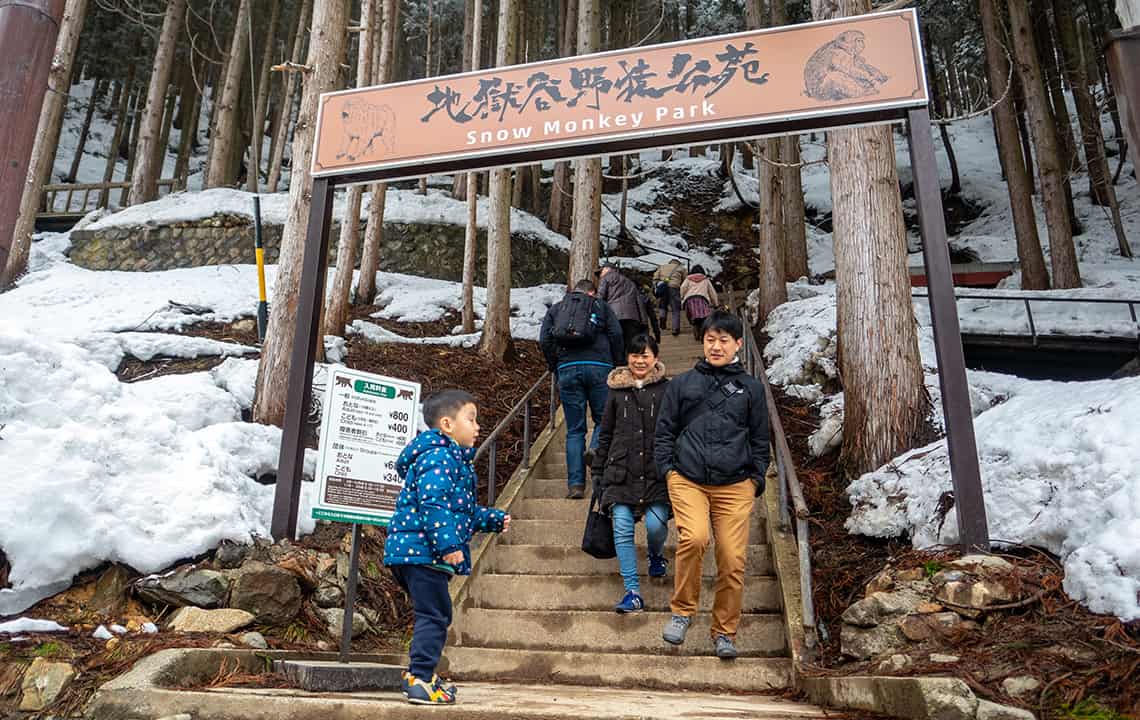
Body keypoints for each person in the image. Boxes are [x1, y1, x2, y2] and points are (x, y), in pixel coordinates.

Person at [653, 311, 770, 660]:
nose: (716, 346)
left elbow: (761, 438)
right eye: (710, 339)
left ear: (737, 344)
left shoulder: (751, 388)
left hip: (736, 484)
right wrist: (669, 471)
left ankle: (724, 632)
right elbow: (664, 432)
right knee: (695, 537)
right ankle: (682, 612)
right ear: (702, 342)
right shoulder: (682, 384)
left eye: (723, 340)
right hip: (687, 479)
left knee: (733, 558)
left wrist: (755, 477)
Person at [384, 389, 511, 704]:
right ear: (447, 424)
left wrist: (492, 519)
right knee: (436, 615)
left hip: (414, 550)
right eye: (471, 418)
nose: (478, 426)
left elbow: (460, 512)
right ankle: (420, 678)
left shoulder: (445, 457)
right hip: (424, 552)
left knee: (433, 613)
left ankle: (421, 674)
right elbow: (434, 504)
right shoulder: (441, 455)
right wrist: (449, 546)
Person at [591, 334, 670, 614]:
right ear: (627, 358)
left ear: (655, 358)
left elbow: (674, 430)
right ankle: (633, 591)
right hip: (620, 471)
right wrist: (598, 470)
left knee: (655, 526)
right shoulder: (615, 391)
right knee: (622, 527)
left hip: (655, 473)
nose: (639, 360)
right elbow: (606, 432)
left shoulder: (666, 390)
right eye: (635, 355)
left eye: (645, 355)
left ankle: (656, 555)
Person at [539, 279, 624, 499]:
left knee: (575, 430)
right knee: (603, 419)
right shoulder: (600, 306)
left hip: (567, 369)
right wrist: (618, 364)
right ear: (593, 292)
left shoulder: (558, 308)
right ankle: (595, 448)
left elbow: (545, 339)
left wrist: (555, 365)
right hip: (600, 368)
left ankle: (575, 485)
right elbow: (616, 334)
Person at [597, 263, 651, 349]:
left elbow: (600, 297)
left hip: (614, 316)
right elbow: (639, 303)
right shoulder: (629, 282)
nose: (600, 274)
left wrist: (598, 314)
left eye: (601, 271)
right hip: (632, 317)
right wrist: (644, 321)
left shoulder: (605, 278)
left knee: (617, 342)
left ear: (607, 269)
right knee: (631, 343)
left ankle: (620, 360)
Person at [680, 265, 719, 342]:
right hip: (702, 300)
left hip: (689, 301)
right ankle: (703, 334)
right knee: (704, 318)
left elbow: (682, 288)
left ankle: (696, 334)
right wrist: (715, 304)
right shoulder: (705, 280)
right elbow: (712, 292)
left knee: (694, 319)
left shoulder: (688, 279)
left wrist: (681, 297)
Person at [653, 259, 686, 336]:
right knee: (675, 309)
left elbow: (655, 277)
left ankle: (662, 319)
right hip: (674, 288)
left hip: (663, 288)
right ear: (678, 263)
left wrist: (657, 285)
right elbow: (685, 281)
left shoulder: (662, 266)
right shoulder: (681, 268)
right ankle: (675, 329)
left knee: (663, 305)